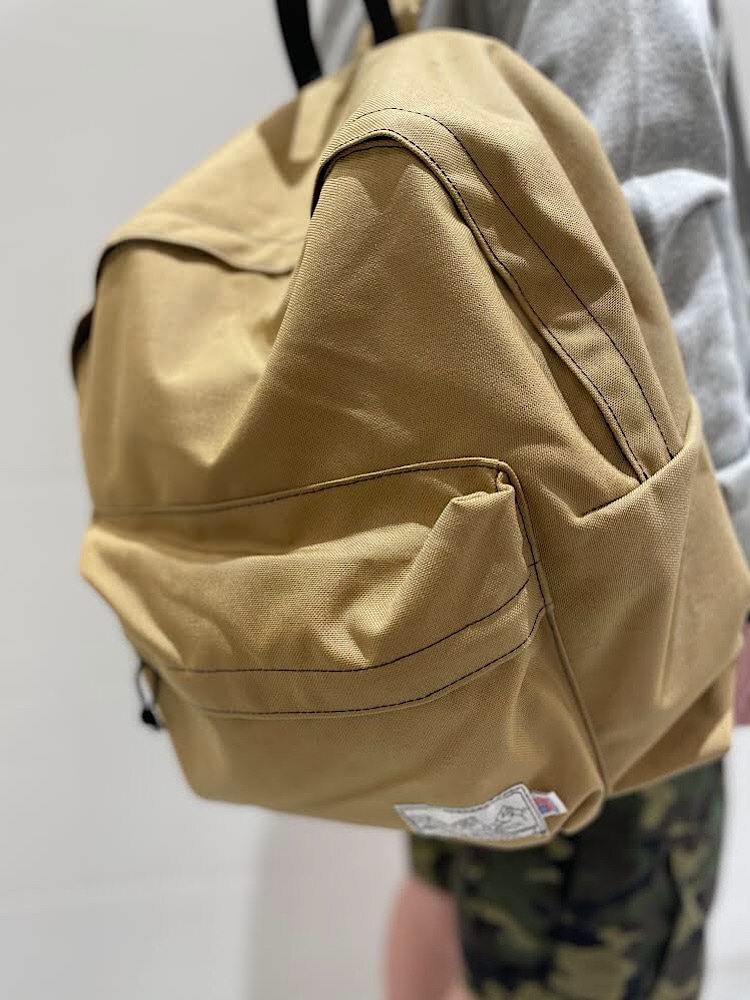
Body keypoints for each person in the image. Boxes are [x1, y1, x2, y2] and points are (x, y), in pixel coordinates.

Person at [316, 2, 750, 997]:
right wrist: (722, 575)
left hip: (428, 557)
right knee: (594, 928)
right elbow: (655, 221)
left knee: (452, 877)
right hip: (600, 586)